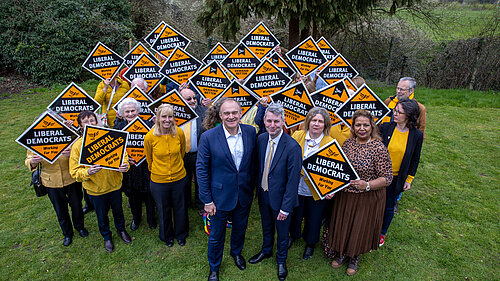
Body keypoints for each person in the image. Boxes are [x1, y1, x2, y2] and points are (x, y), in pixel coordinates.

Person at [323, 109, 393, 276]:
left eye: (365, 125)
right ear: (353, 126)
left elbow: (388, 177)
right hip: (346, 195)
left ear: (372, 126)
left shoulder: (378, 147)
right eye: (358, 125)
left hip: (367, 196)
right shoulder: (348, 144)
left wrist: (367, 184)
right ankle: (341, 253)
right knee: (344, 223)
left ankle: (354, 256)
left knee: (359, 226)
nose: (362, 128)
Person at [196, 98, 257, 281]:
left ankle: (236, 253)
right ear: (220, 115)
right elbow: (201, 169)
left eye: (234, 113)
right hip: (219, 197)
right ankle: (214, 266)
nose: (231, 116)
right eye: (227, 113)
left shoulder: (250, 132)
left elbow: (252, 163)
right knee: (216, 235)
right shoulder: (208, 137)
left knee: (240, 228)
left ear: (240, 114)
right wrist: (207, 200)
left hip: (243, 194)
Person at [248, 103, 302, 281]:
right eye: (269, 121)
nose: (272, 125)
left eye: (276, 121)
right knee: (266, 226)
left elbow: (293, 181)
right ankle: (266, 251)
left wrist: (286, 208)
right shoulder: (261, 139)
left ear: (283, 121)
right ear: (264, 120)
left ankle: (281, 260)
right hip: (264, 195)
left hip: (281, 200)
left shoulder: (293, 147)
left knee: (282, 232)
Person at [69, 110, 131, 253]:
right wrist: (87, 172)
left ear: (96, 122)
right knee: (101, 215)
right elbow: (75, 172)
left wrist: (125, 165)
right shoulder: (78, 146)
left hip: (114, 185)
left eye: (92, 120)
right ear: (80, 125)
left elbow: (124, 155)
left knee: (118, 211)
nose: (90, 124)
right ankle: (107, 236)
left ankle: (121, 230)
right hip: (95, 190)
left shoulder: (110, 137)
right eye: (85, 122)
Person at [24, 118, 87, 247]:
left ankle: (80, 227)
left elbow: (80, 149)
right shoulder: (36, 139)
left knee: (76, 205)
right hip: (51, 181)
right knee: (60, 209)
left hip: (71, 177)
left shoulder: (68, 134)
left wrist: (72, 154)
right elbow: (28, 159)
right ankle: (67, 233)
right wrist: (33, 161)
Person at [288, 107, 335, 260]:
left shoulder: (330, 142)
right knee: (295, 213)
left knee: (314, 217)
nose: (316, 124)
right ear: (308, 121)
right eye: (314, 120)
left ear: (325, 125)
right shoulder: (297, 135)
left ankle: (310, 243)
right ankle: (293, 236)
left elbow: (333, 169)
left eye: (320, 121)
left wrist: (332, 188)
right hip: (296, 185)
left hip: (317, 189)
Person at [379, 98, 423, 246]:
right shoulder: (385, 127)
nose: (394, 113)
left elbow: (415, 159)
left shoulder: (416, 135)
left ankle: (382, 232)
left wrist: (409, 179)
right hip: (378, 176)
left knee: (389, 206)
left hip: (396, 178)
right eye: (395, 110)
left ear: (409, 116)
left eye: (399, 112)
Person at [144, 104, 188, 247]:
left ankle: (181, 234)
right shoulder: (150, 137)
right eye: (164, 116)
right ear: (158, 118)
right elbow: (149, 158)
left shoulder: (179, 133)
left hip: (179, 178)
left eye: (170, 116)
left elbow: (182, 152)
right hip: (159, 180)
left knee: (180, 207)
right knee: (163, 209)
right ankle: (166, 236)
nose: (167, 120)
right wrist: (158, 171)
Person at [114, 98, 156, 231]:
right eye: (127, 112)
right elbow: (115, 149)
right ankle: (136, 218)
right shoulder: (119, 128)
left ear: (138, 111)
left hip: (145, 167)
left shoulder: (148, 125)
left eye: (133, 111)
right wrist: (125, 159)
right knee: (133, 196)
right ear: (122, 113)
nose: (130, 114)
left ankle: (151, 219)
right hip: (130, 169)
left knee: (149, 195)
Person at [179, 87, 207, 216]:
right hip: (181, 155)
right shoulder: (175, 113)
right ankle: (185, 203)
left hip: (198, 154)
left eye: (194, 98)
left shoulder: (204, 111)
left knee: (200, 181)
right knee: (184, 180)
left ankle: (200, 204)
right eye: (188, 98)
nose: (192, 101)